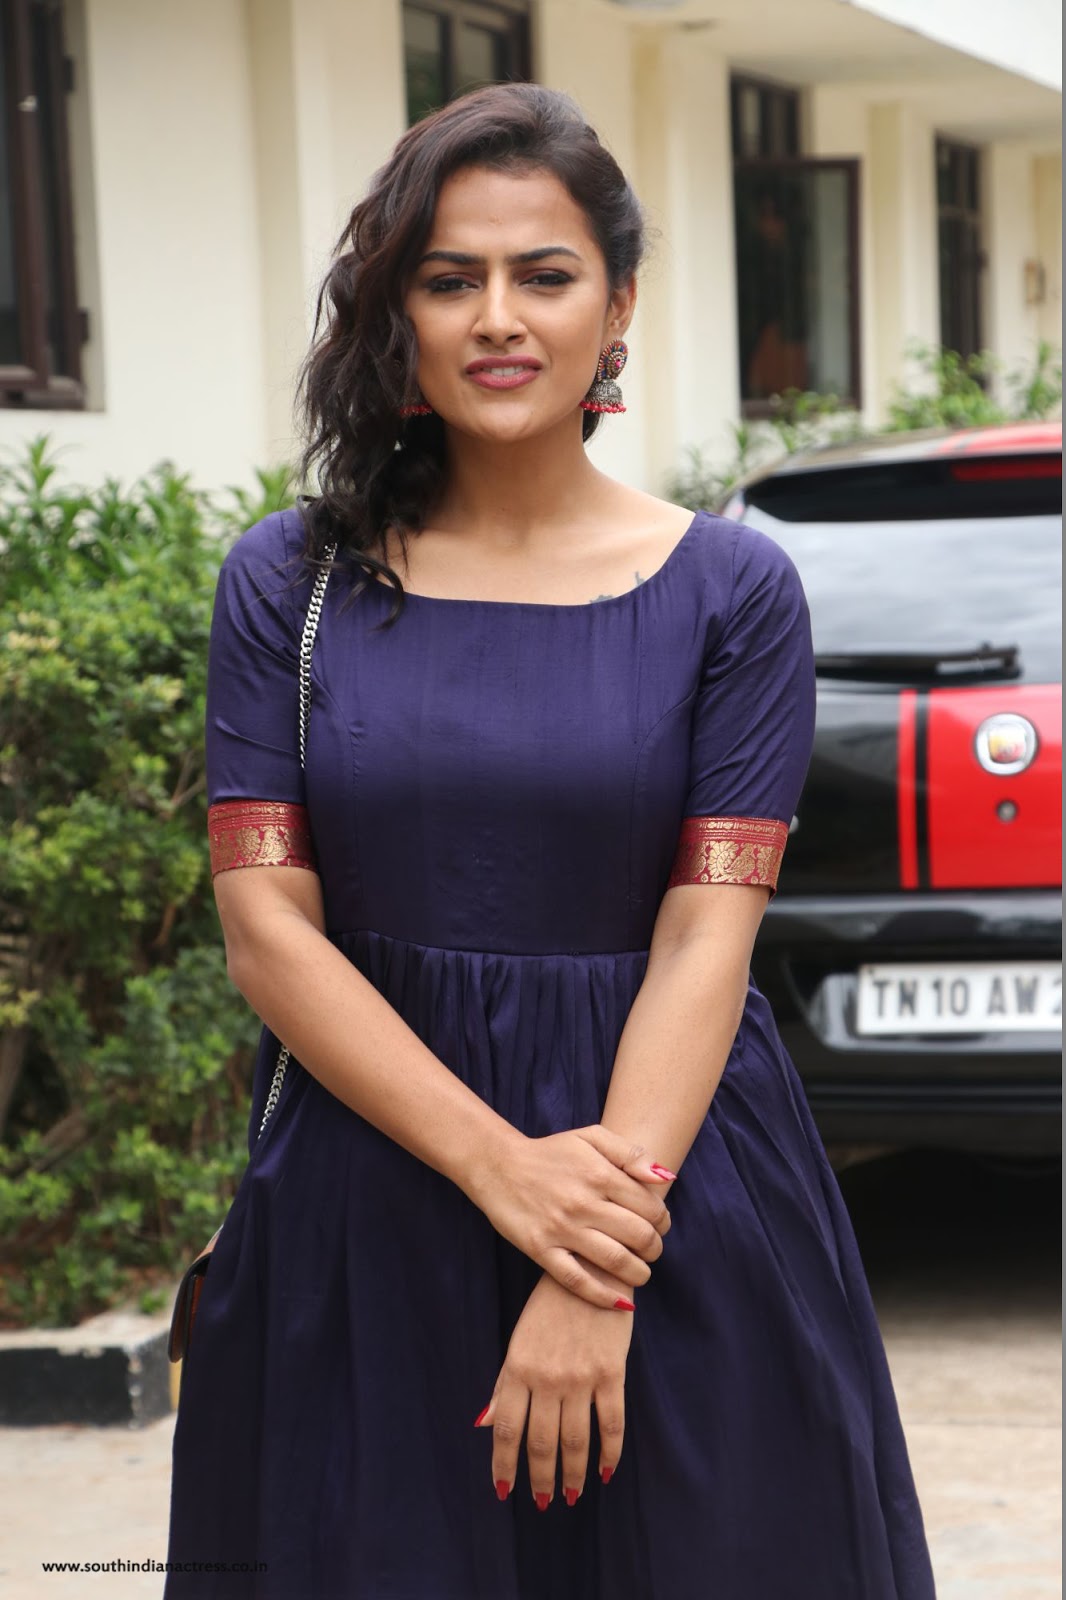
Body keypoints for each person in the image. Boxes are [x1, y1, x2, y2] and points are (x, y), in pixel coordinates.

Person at [164, 83, 936, 1600]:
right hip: (369, 1199)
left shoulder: (732, 594)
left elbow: (705, 937)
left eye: (545, 274)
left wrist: (596, 1265)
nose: (497, 319)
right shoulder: (288, 581)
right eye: (449, 280)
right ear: (397, 311)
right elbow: (266, 932)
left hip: (672, 1194)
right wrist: (505, 1174)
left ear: (618, 304)